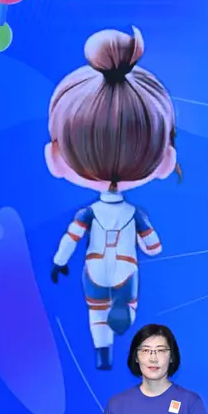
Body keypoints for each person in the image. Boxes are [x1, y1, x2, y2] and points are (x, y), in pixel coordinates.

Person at [46, 26, 177, 370]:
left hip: (93, 267)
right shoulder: (136, 214)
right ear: (165, 161)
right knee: (124, 306)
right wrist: (151, 244)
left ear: (56, 158)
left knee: (96, 313)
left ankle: (102, 354)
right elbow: (153, 247)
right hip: (125, 267)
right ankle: (126, 310)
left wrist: (59, 261)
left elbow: (71, 239)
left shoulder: (86, 214)